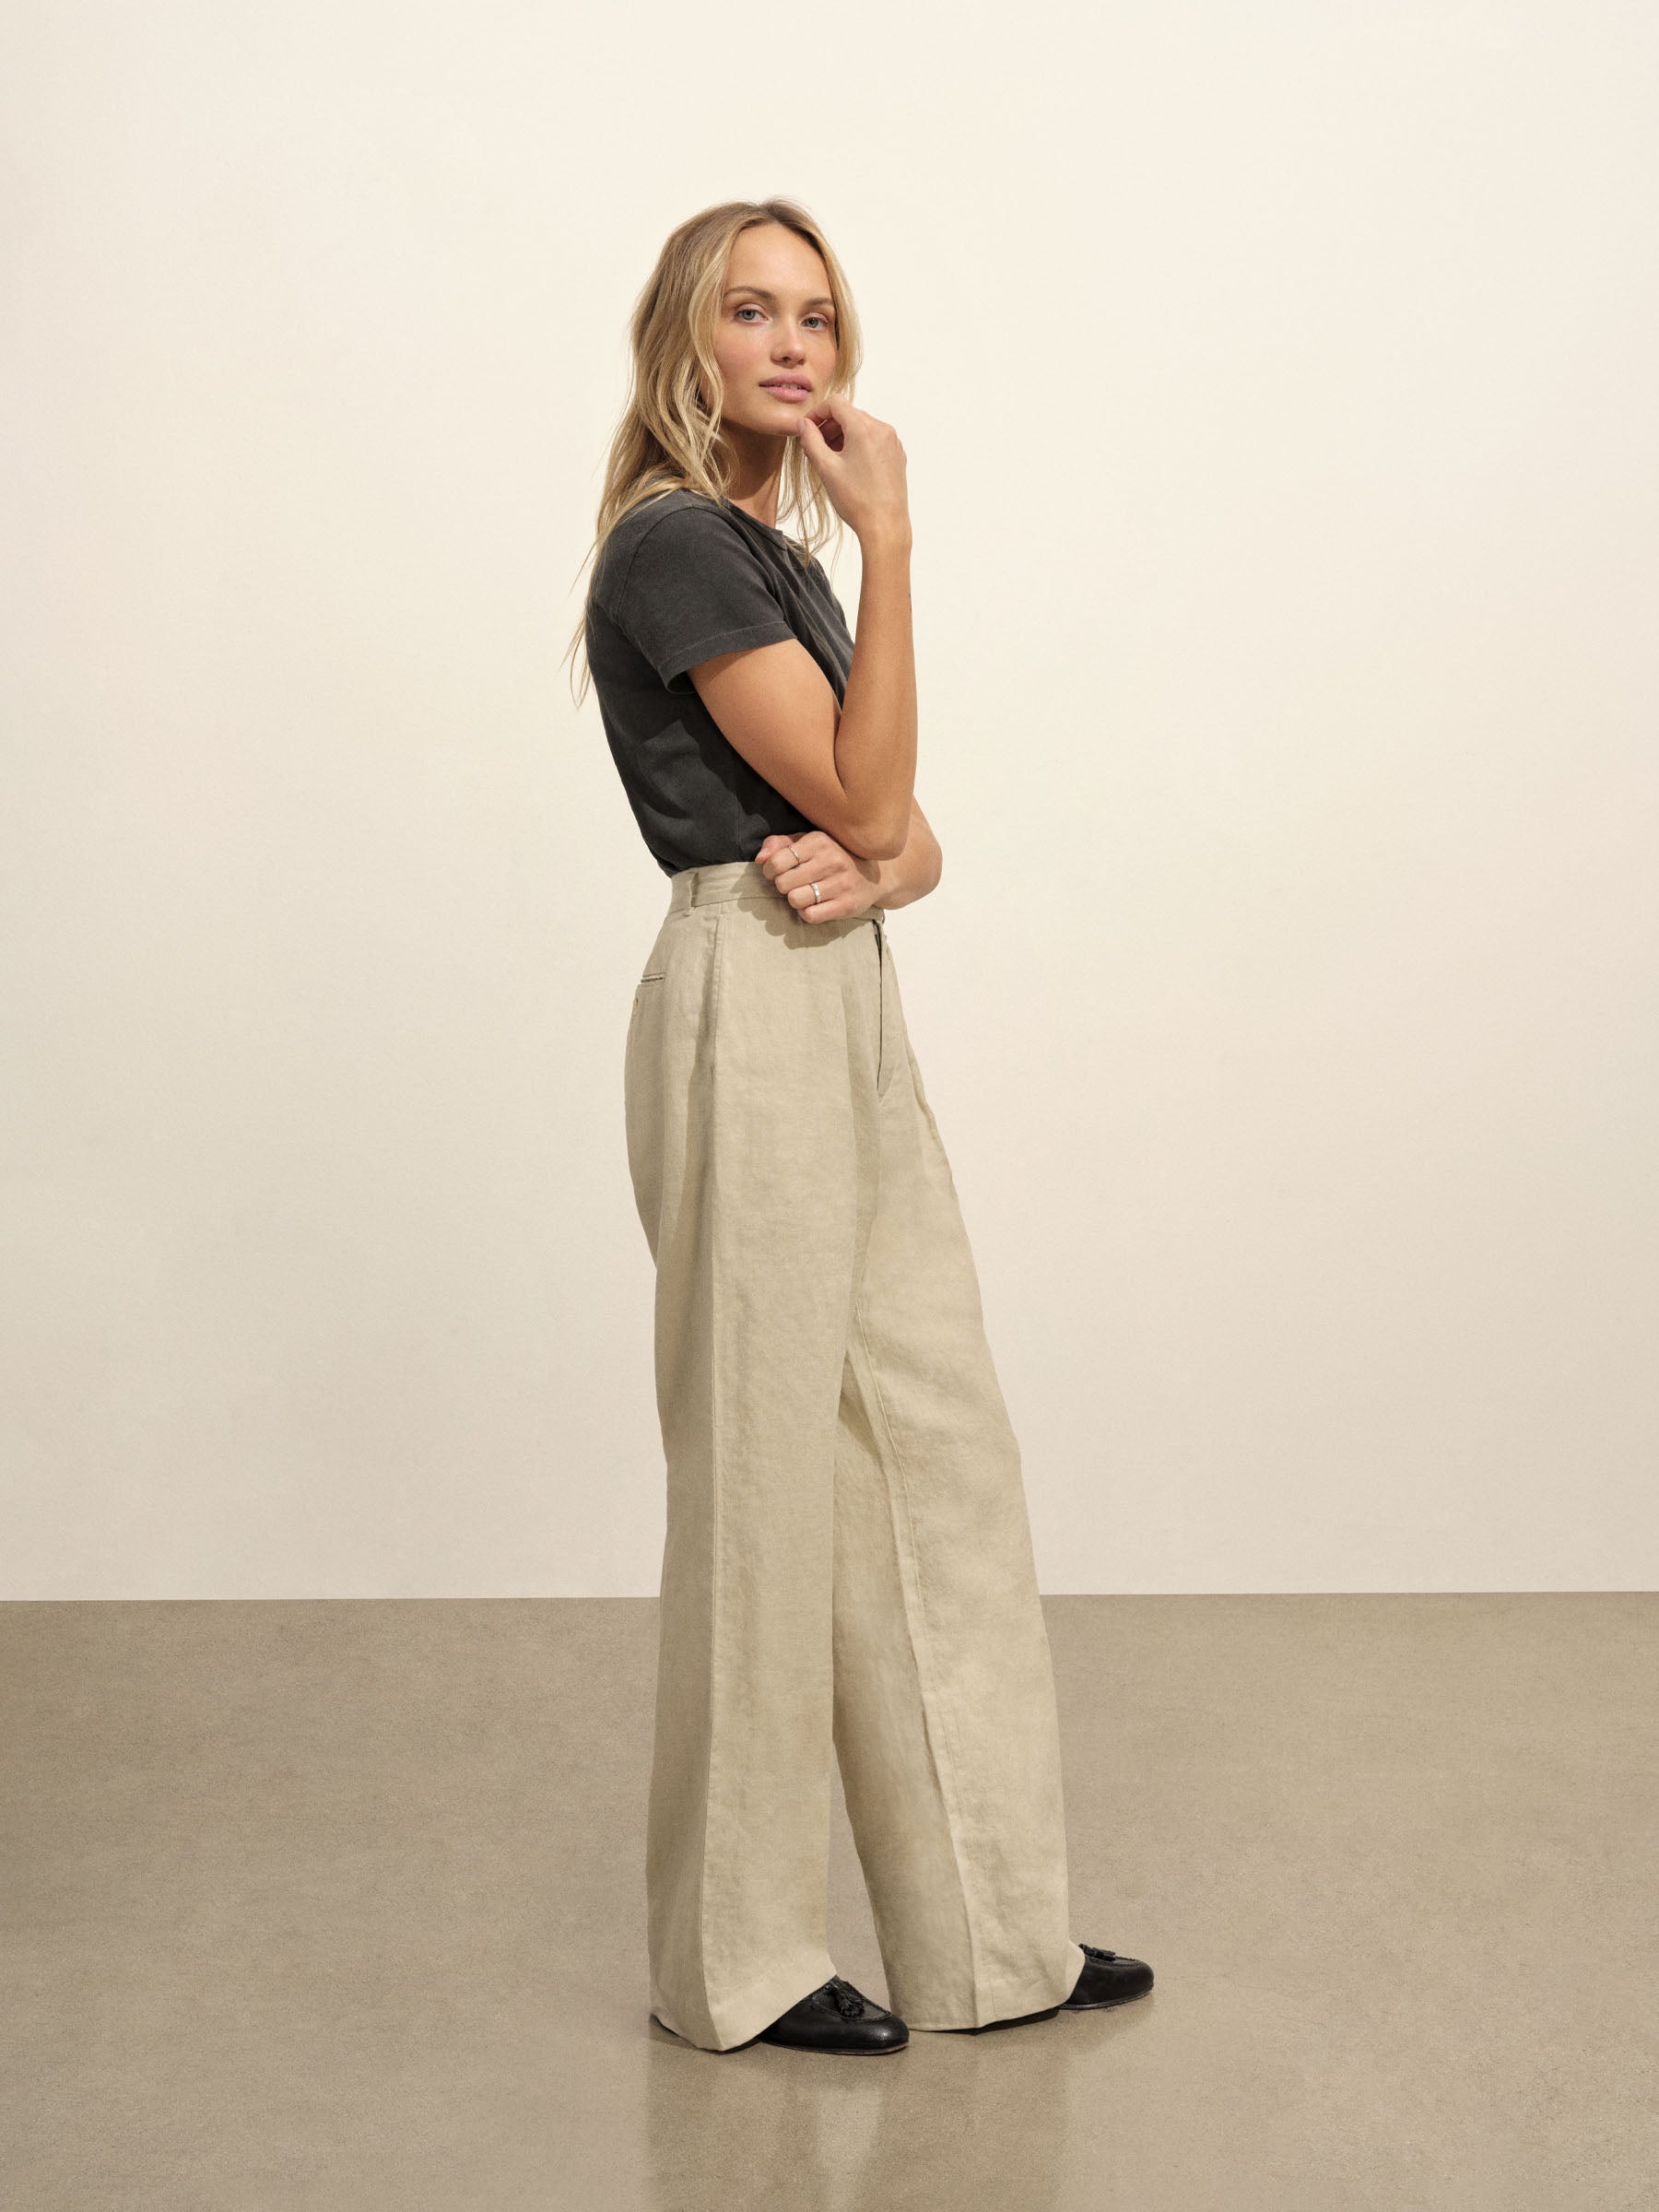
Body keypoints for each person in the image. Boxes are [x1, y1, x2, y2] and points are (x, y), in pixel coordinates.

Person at [567, 196, 1153, 2056]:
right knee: (763, 1481)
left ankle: (992, 1939)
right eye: (752, 311)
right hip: (745, 990)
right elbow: (871, 794)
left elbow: (910, 836)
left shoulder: (772, 558)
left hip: (842, 996)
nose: (791, 345)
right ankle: (732, 1968)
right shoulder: (679, 546)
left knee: (931, 1447)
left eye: (816, 315)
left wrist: (879, 851)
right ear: (687, 335)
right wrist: (893, 540)